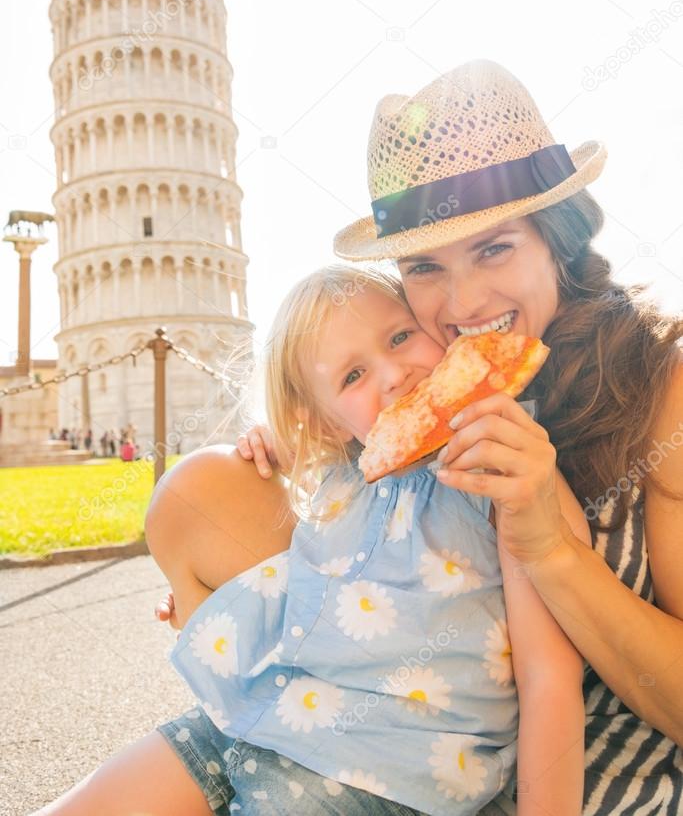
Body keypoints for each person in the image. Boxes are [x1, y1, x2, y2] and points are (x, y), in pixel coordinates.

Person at [235, 59, 683, 813]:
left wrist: (551, 547)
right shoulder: (421, 385)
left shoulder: (660, 386)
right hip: (396, 777)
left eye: (494, 248)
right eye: (423, 267)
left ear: (557, 239)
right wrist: (288, 450)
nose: (464, 301)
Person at [34, 263, 589, 816]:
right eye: (353, 376)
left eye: (400, 337)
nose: (394, 374)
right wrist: (268, 444)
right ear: (324, 423)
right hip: (259, 719)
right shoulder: (340, 474)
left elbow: (548, 679)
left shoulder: (504, 472)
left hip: (382, 774)